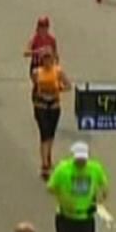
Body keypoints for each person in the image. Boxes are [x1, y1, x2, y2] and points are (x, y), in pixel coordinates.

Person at [32, 50, 70, 179]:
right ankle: (44, 165)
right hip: (41, 106)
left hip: (54, 105)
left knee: (50, 135)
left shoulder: (58, 71)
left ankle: (48, 156)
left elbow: (68, 85)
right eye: (45, 59)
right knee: (44, 134)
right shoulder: (37, 72)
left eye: (50, 59)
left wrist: (59, 88)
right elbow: (35, 88)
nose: (48, 62)